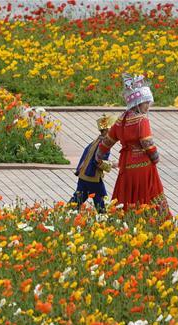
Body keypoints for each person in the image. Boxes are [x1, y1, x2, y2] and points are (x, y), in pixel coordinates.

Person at [96, 74, 170, 218]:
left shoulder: (121, 119)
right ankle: (151, 222)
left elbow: (107, 141)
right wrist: (155, 157)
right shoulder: (142, 120)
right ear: (137, 104)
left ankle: (124, 221)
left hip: (126, 164)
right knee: (148, 194)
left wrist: (99, 155)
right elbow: (147, 143)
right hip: (143, 165)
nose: (148, 106)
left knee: (126, 194)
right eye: (145, 103)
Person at [70, 114, 115, 213]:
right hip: (93, 177)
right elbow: (98, 161)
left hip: (83, 175)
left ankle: (66, 212)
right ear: (106, 131)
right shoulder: (104, 144)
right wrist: (111, 165)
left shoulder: (96, 141)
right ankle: (103, 218)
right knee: (101, 200)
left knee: (78, 198)